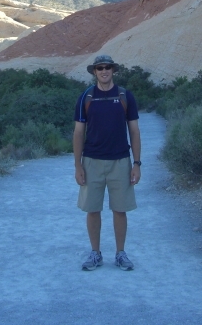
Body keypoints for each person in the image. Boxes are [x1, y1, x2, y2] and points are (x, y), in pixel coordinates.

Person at [73, 54, 141, 271]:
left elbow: (134, 130)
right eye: (100, 68)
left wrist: (137, 163)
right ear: (94, 71)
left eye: (108, 67)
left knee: (120, 210)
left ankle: (120, 253)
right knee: (92, 209)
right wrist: (78, 165)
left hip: (120, 161)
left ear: (113, 70)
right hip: (92, 161)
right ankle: (95, 253)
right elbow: (78, 133)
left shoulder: (125, 96)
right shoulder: (86, 97)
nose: (104, 71)